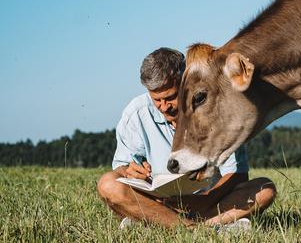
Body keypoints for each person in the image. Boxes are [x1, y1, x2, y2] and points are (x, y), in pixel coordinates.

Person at [97, 47, 276, 229]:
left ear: (185, 83)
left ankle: (165, 226)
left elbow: (238, 174)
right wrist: (128, 170)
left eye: (170, 97)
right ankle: (200, 228)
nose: (164, 107)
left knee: (264, 189)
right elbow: (120, 169)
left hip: (210, 202)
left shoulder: (214, 110)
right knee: (107, 185)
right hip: (158, 204)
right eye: (156, 100)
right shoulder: (136, 113)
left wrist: (205, 200)